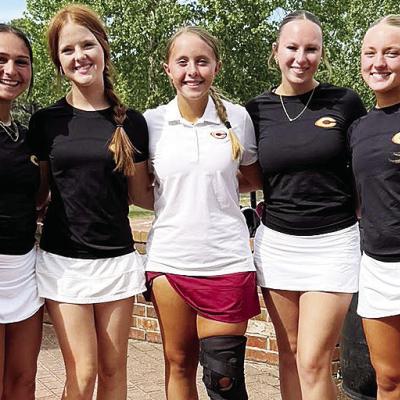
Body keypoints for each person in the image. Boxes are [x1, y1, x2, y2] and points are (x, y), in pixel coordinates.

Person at [28, 5, 153, 399]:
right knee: (82, 375)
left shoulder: (131, 121)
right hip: (63, 263)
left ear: (104, 48)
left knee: (114, 371)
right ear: (59, 62)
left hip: (116, 261)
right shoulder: (45, 121)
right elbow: (39, 194)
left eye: (87, 45)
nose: (79, 56)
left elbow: (141, 196)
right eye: (68, 50)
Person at [246, 10, 366, 400]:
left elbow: (366, 163)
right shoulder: (256, 110)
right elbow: (248, 174)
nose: (301, 57)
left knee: (314, 361)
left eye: (311, 49)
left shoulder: (345, 101)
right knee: (290, 355)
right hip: (278, 245)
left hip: (333, 244)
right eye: (292, 47)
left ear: (321, 53)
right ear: (276, 52)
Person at [143, 26, 261, 400]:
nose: (192, 70)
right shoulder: (150, 122)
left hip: (227, 259)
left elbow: (251, 178)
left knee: (223, 377)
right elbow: (142, 192)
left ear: (216, 67)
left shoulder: (238, 119)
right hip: (170, 261)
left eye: (201, 61)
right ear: (168, 69)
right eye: (182, 62)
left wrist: (215, 191)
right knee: (178, 364)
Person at [349, 14, 400, 400]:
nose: (378, 62)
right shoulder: (360, 127)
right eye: (371, 52)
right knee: (388, 380)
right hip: (377, 267)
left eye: (391, 52)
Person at [0, 24, 44, 399]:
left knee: (23, 381)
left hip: (24, 270)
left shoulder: (27, 134)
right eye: (1, 60)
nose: (11, 70)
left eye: (21, 61)